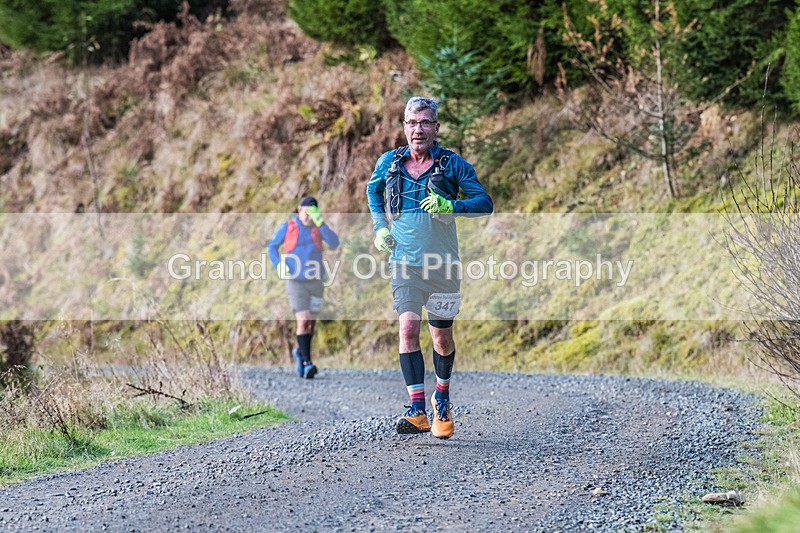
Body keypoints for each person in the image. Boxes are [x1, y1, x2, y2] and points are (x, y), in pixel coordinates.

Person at [366, 96, 493, 438]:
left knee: (441, 337)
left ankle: (442, 399)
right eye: (412, 123)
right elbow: (373, 192)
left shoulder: (452, 164)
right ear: (403, 126)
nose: (418, 129)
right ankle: (417, 409)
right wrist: (380, 228)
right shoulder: (390, 162)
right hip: (404, 262)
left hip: (442, 264)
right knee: (407, 328)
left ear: (436, 128)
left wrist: (450, 204)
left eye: (425, 123)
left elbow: (485, 203)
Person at [268, 196, 339, 379]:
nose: (308, 216)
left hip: (316, 281)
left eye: (312, 212)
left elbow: (334, 243)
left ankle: (300, 352)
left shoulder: (318, 228)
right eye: (306, 212)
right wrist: (278, 265)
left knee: (311, 325)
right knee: (303, 321)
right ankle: (308, 363)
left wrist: (321, 222)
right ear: (299, 210)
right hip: (295, 281)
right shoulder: (287, 227)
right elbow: (272, 247)